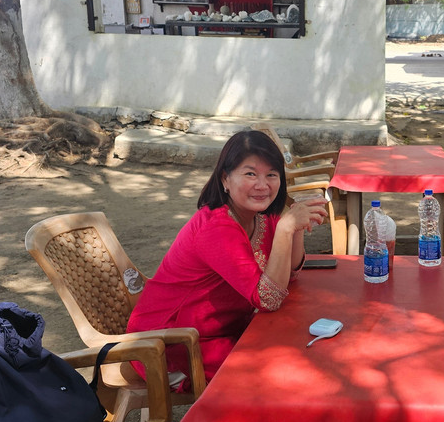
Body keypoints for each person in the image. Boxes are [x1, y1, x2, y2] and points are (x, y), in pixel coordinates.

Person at [127, 130, 327, 383]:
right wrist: (286, 229)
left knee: (300, 348)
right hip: (172, 343)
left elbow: (289, 276)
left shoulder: (260, 216)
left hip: (224, 331)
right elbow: (268, 299)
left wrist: (297, 229)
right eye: (250, 174)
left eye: (272, 175)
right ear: (225, 179)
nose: (262, 185)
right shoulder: (216, 227)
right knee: (281, 370)